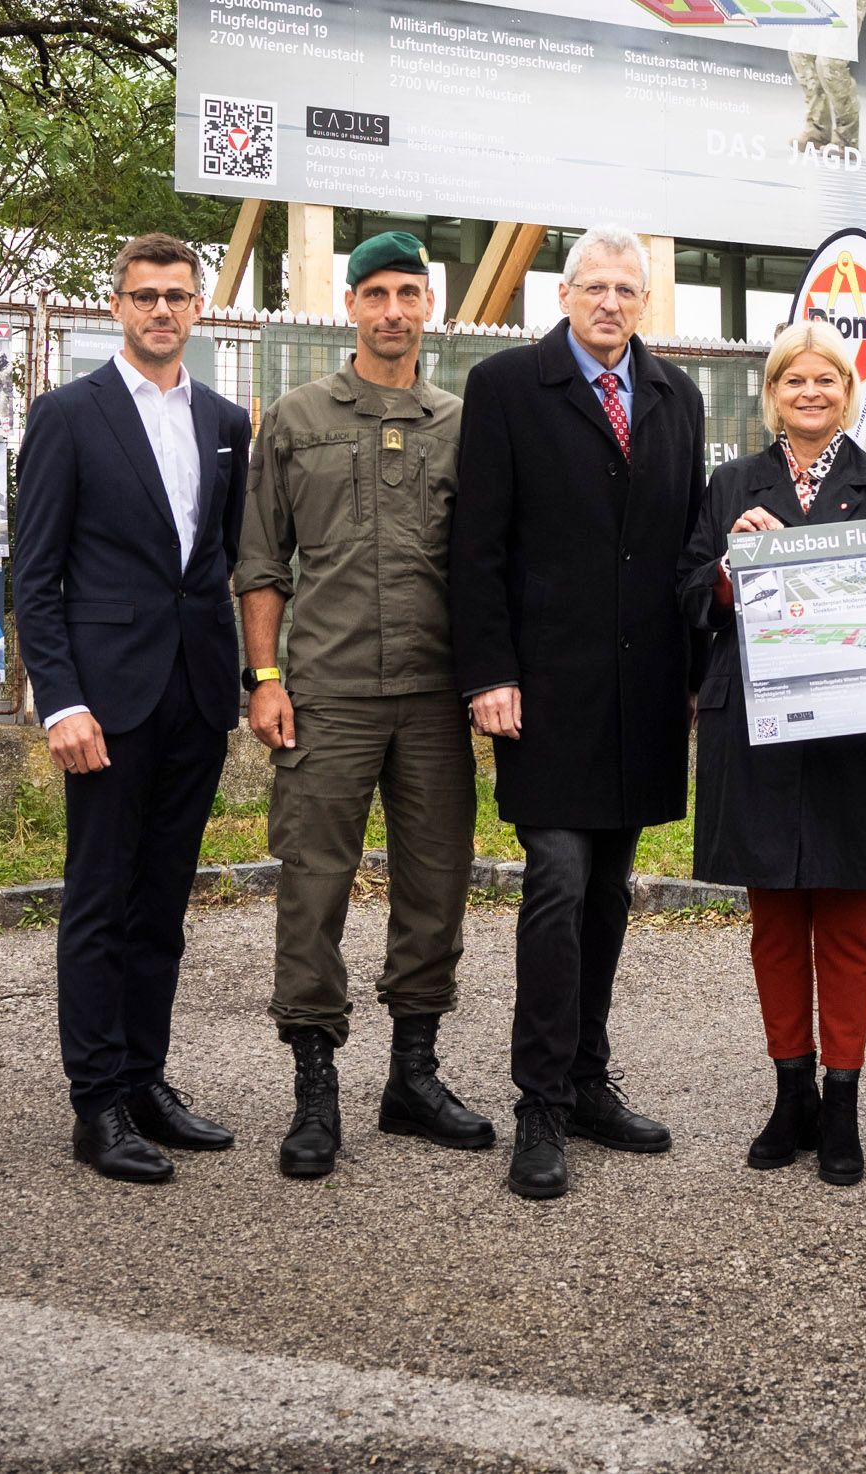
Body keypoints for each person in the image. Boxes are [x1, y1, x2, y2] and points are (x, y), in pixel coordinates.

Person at [449, 226, 705, 1202]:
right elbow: (477, 545)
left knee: (607, 891)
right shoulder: (508, 387)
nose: (609, 301)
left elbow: (686, 542)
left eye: (625, 288)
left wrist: (693, 669)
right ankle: (539, 1105)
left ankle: (590, 1078)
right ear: (562, 294)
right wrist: (488, 671)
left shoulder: (677, 397)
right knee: (555, 882)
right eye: (593, 285)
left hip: (642, 693)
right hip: (544, 692)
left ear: (643, 300)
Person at [236, 230, 493, 1181]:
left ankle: (412, 1080)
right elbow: (260, 563)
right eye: (375, 293)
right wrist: (265, 680)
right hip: (328, 697)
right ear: (351, 306)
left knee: (436, 889)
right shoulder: (299, 419)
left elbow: (488, 563)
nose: (392, 310)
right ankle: (315, 1092)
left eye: (408, 294)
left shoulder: (460, 423)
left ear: (430, 309)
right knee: (313, 889)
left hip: (432, 698)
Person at [12, 233, 254, 1187]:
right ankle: (97, 1104)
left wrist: (246, 682)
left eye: (178, 296)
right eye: (145, 296)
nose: (162, 310)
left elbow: (224, 563)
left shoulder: (228, 420)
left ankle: (147, 1081)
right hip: (104, 706)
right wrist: (59, 699)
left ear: (199, 309)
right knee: (101, 902)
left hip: (195, 693)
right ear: (116, 306)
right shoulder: (69, 415)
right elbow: (35, 576)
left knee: (162, 905)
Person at [678, 321, 866, 1189]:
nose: (810, 393)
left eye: (826, 380)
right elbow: (686, 588)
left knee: (848, 928)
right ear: (771, 393)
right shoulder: (732, 483)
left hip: (856, 736)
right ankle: (791, 1095)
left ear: (847, 390)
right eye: (794, 381)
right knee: (775, 923)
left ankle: (844, 1103)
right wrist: (727, 569)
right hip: (757, 727)